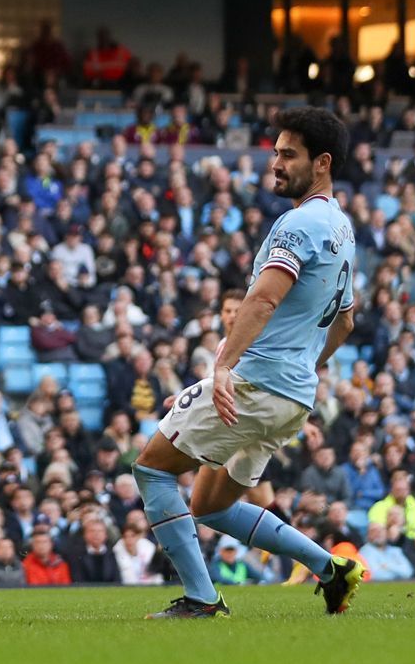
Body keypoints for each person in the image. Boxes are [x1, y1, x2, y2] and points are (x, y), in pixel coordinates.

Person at [134, 108, 366, 619]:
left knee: (151, 469)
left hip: (256, 384)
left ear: (322, 163)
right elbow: (345, 323)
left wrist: (222, 372)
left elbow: (260, 300)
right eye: (276, 152)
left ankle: (200, 599)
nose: (276, 164)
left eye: (289, 154)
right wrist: (303, 371)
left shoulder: (299, 223)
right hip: (292, 396)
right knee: (210, 505)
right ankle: (332, 569)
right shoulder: (343, 231)